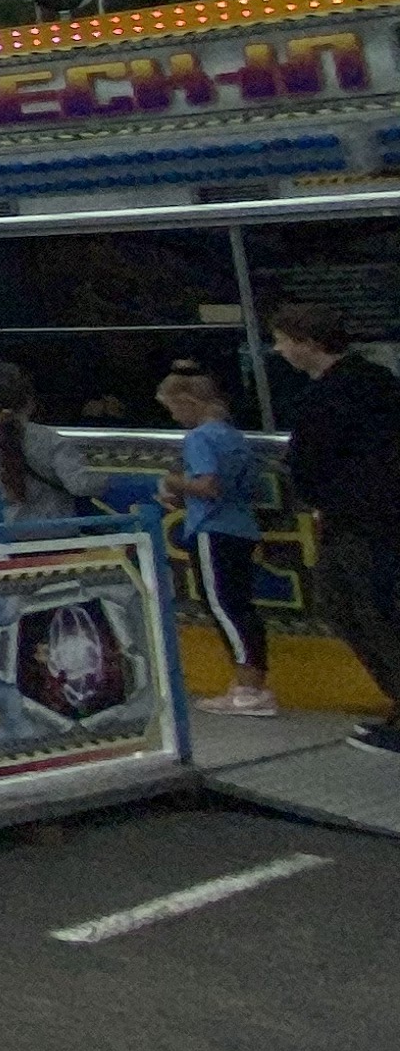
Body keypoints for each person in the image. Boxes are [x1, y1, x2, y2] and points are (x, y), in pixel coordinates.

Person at [270, 301, 400, 755]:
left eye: (282, 341)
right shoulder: (377, 382)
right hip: (369, 518)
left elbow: (310, 464)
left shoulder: (330, 397)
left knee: (367, 611)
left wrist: (321, 494)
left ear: (307, 343)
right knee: (362, 608)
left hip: (360, 522)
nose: (278, 350)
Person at [158, 365, 279, 717]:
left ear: (188, 401)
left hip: (212, 528)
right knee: (241, 606)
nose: (174, 417)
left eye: (173, 408)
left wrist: (173, 483)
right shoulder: (233, 436)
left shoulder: (199, 438)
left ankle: (249, 687)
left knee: (224, 606)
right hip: (242, 527)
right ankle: (251, 683)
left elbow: (208, 485)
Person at [0, 363, 94, 535]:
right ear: (30, 402)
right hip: (54, 531)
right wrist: (108, 481)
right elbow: (79, 485)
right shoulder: (49, 439)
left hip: (4, 531)